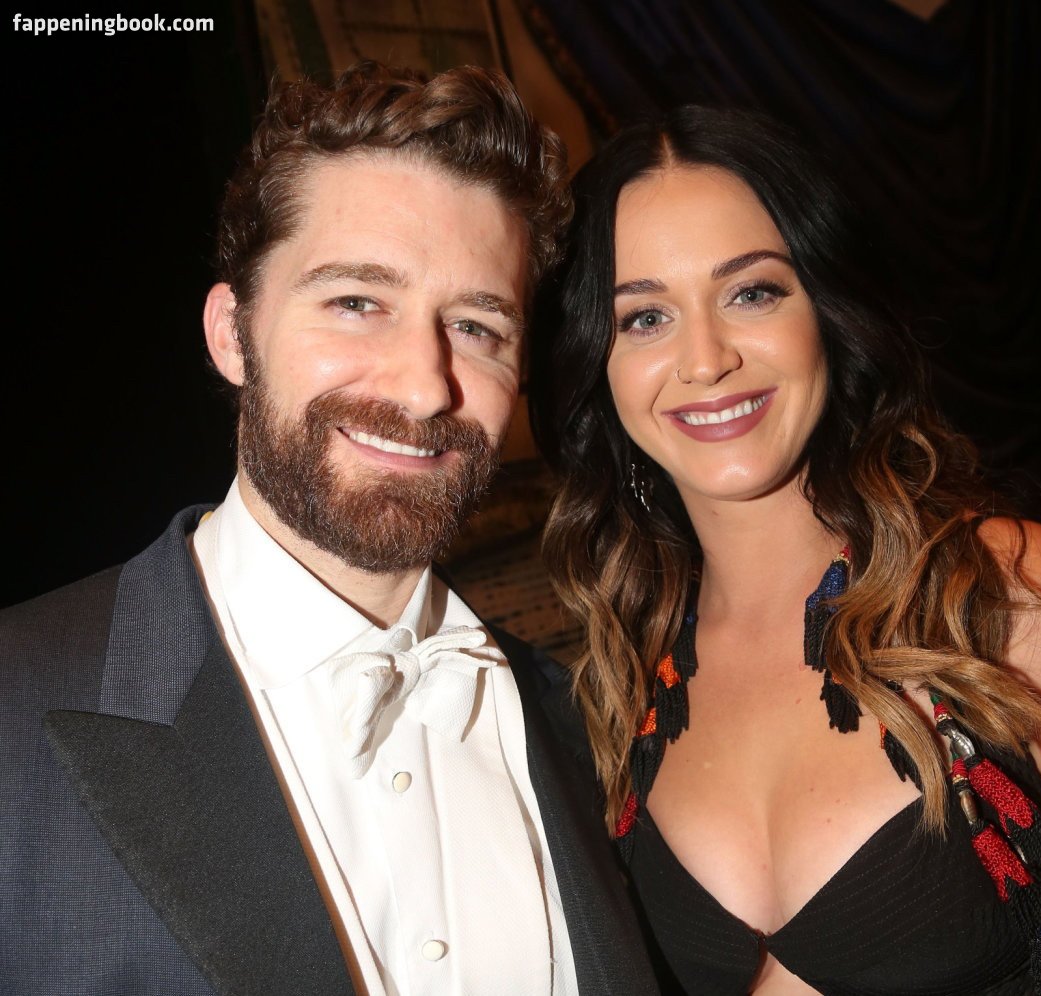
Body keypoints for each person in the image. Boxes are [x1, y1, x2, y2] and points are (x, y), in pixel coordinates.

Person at [0, 63, 658, 996]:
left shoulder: (577, 721)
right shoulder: (16, 704)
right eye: (356, 302)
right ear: (232, 333)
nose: (423, 386)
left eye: (476, 327)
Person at [531, 106, 1041, 995]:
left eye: (752, 292)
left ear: (827, 309)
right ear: (598, 361)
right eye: (645, 317)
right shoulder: (622, 680)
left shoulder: (1004, 598)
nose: (705, 359)